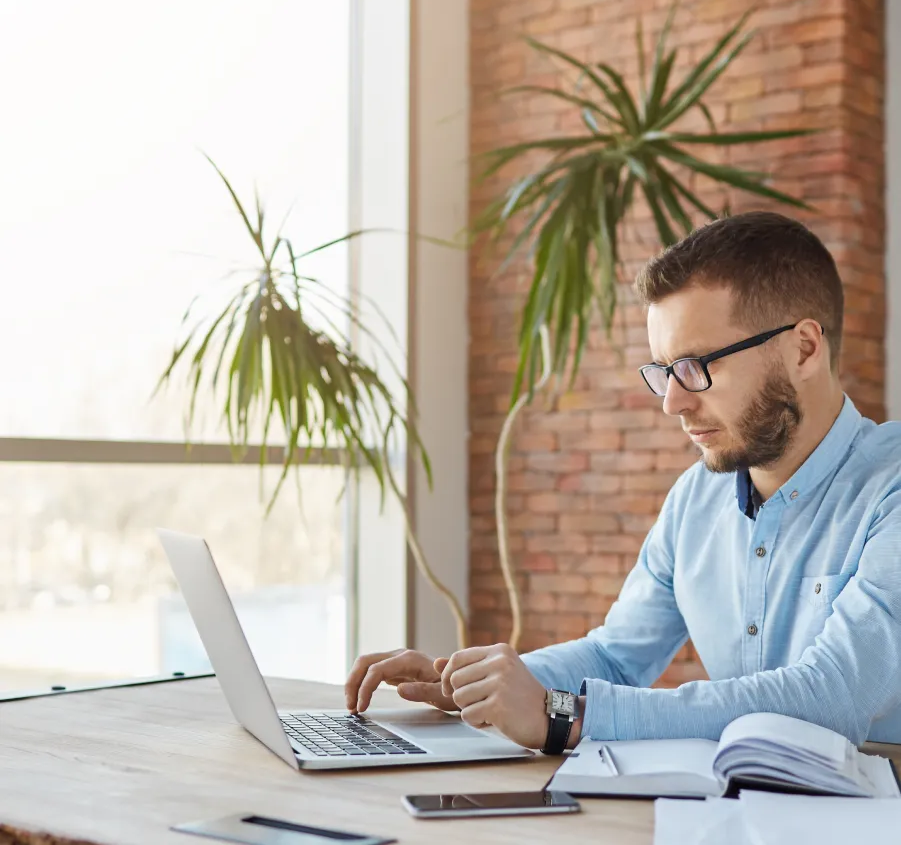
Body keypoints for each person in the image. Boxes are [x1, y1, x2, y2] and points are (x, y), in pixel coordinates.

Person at [344, 211, 901, 751]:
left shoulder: (890, 488)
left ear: (803, 348)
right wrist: (470, 684)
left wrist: (565, 717)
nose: (673, 403)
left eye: (698, 366)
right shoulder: (695, 500)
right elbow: (615, 657)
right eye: (665, 371)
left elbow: (832, 696)